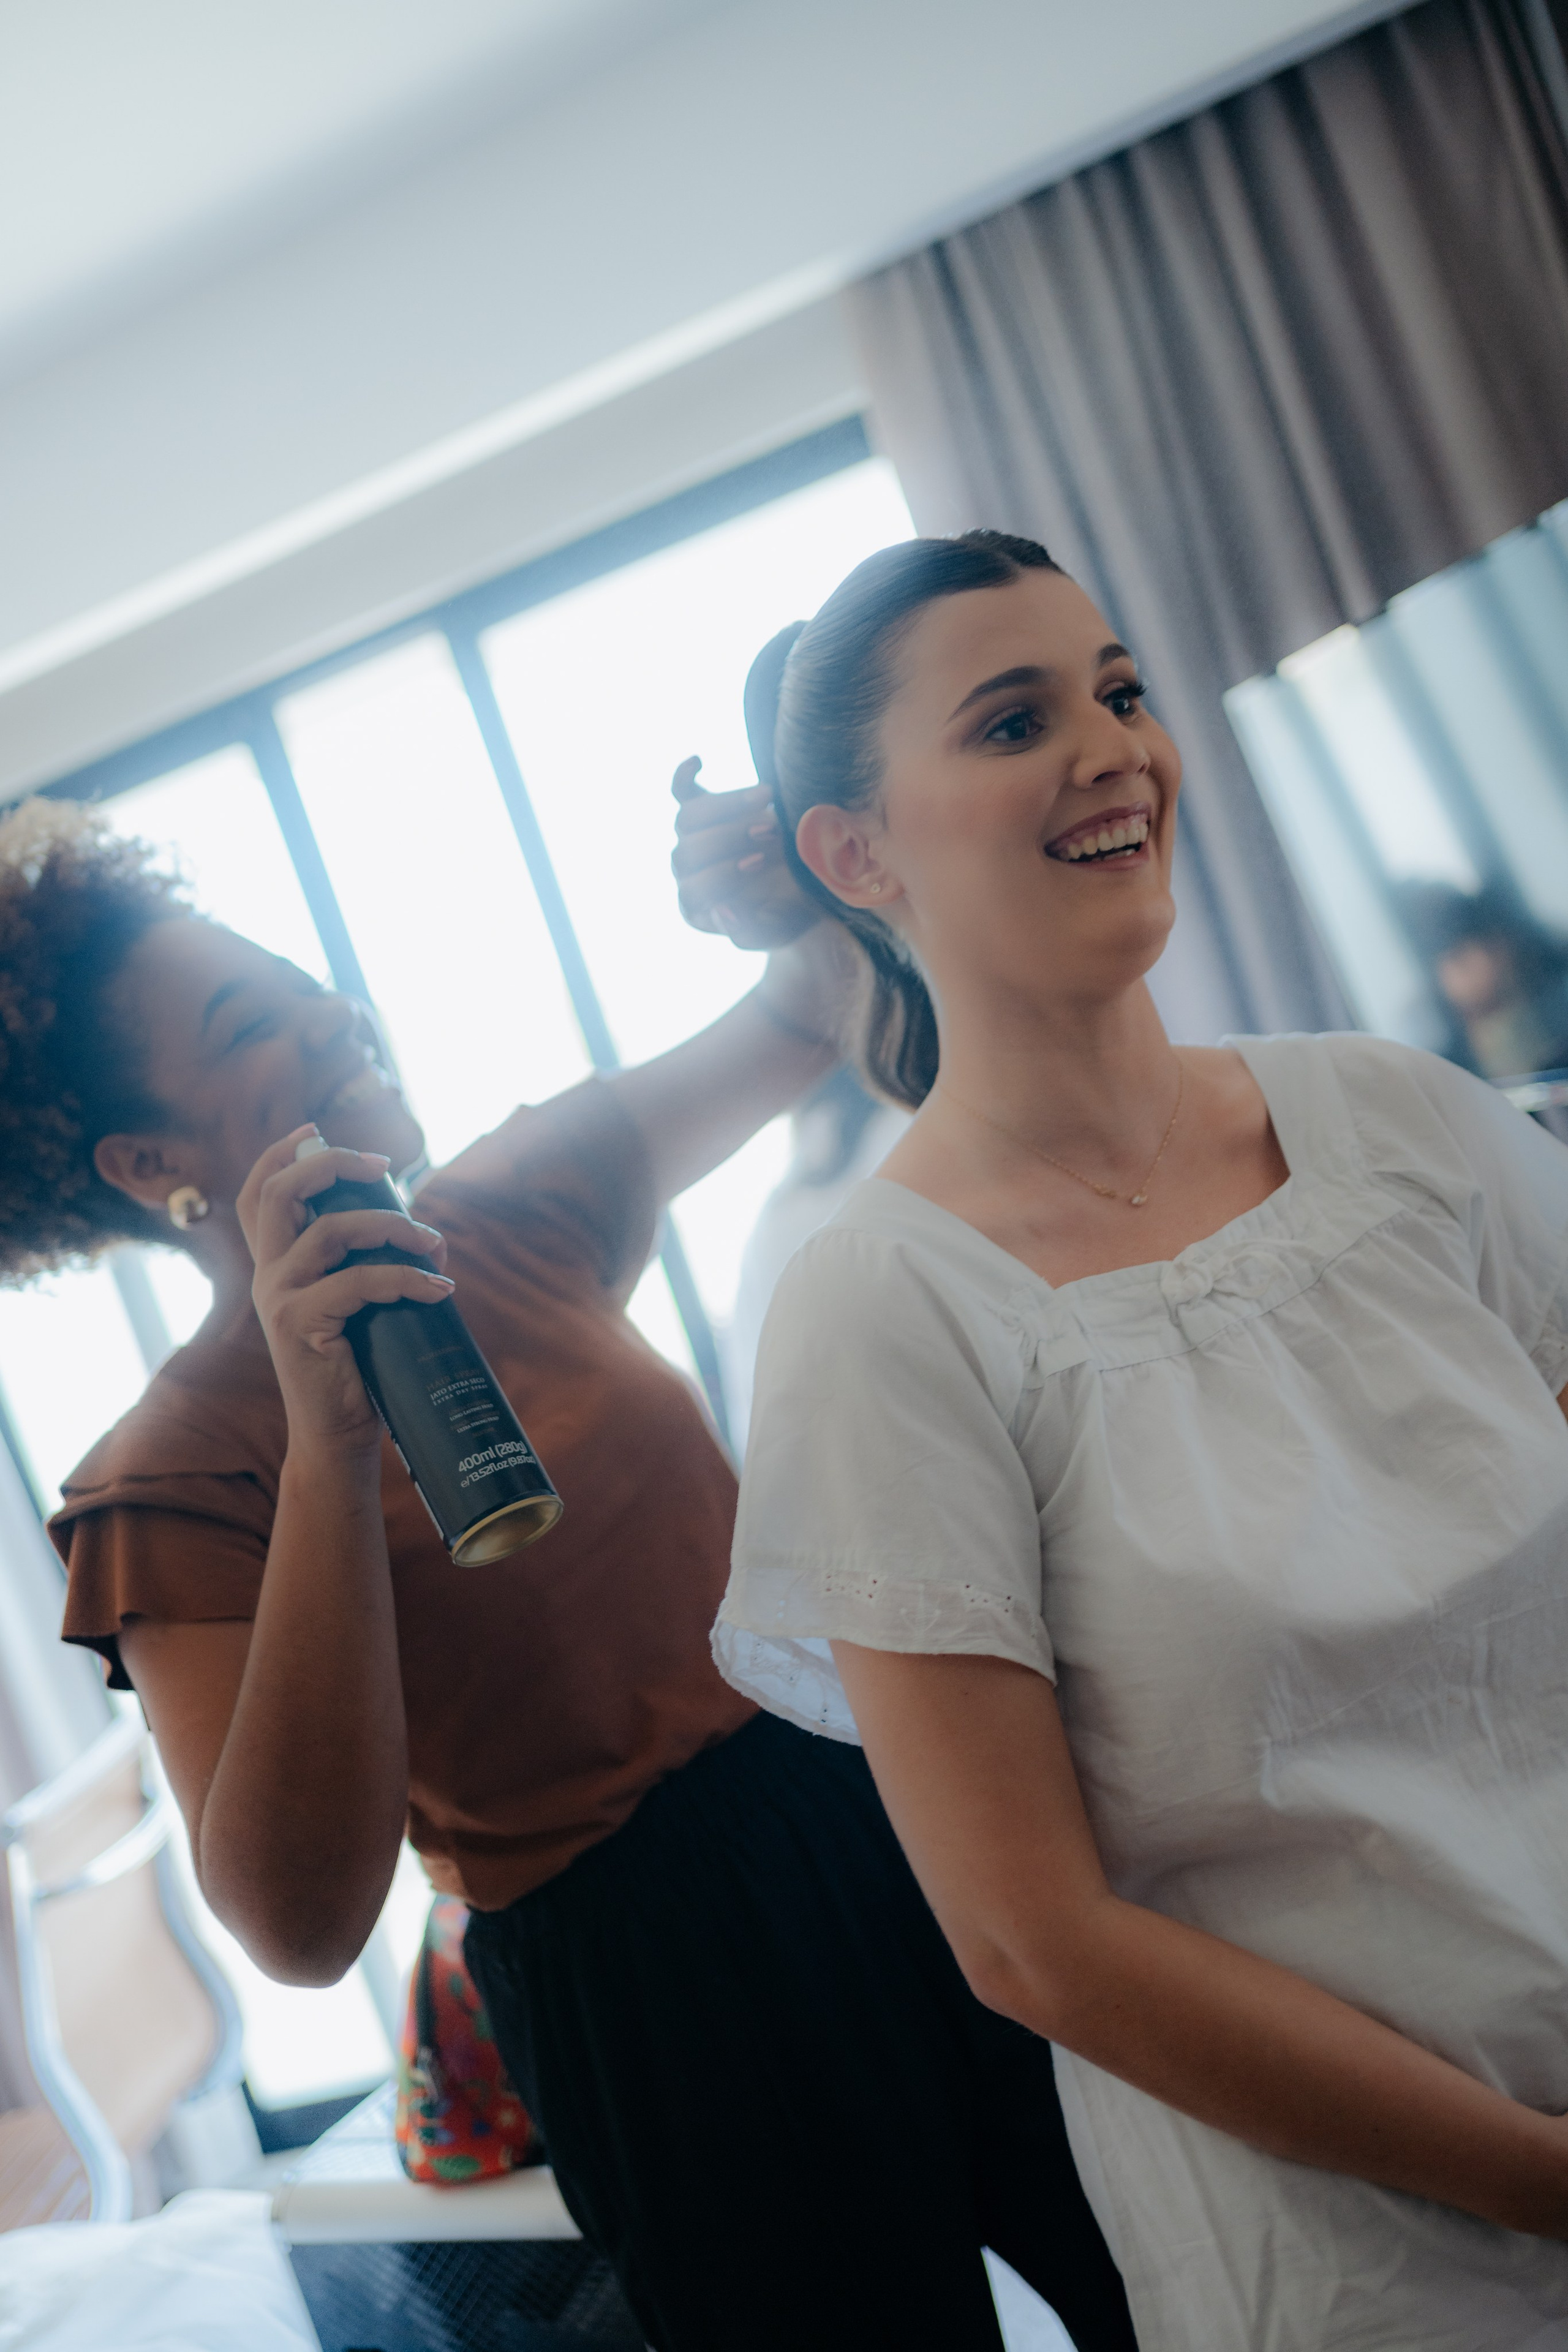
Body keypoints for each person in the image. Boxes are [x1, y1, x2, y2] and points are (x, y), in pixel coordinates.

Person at [4, 788, 1137, 2352]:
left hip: (891, 1807)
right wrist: (331, 1438)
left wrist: (784, 878)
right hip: (652, 1990)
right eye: (253, 1020)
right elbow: (299, 1926)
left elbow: (818, 1004)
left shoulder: (504, 1211)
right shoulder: (170, 1475)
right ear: (150, 1159)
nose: (335, 1011)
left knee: (1184, 2274)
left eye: (307, 975)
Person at [716, 531, 1568, 2352]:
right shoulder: (888, 1309)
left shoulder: (1402, 1121)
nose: (1113, 748)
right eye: (1015, 720)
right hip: (1375, 2259)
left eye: (1119, 689)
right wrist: (1536, 2179)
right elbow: (1034, 1943)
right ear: (853, 854)